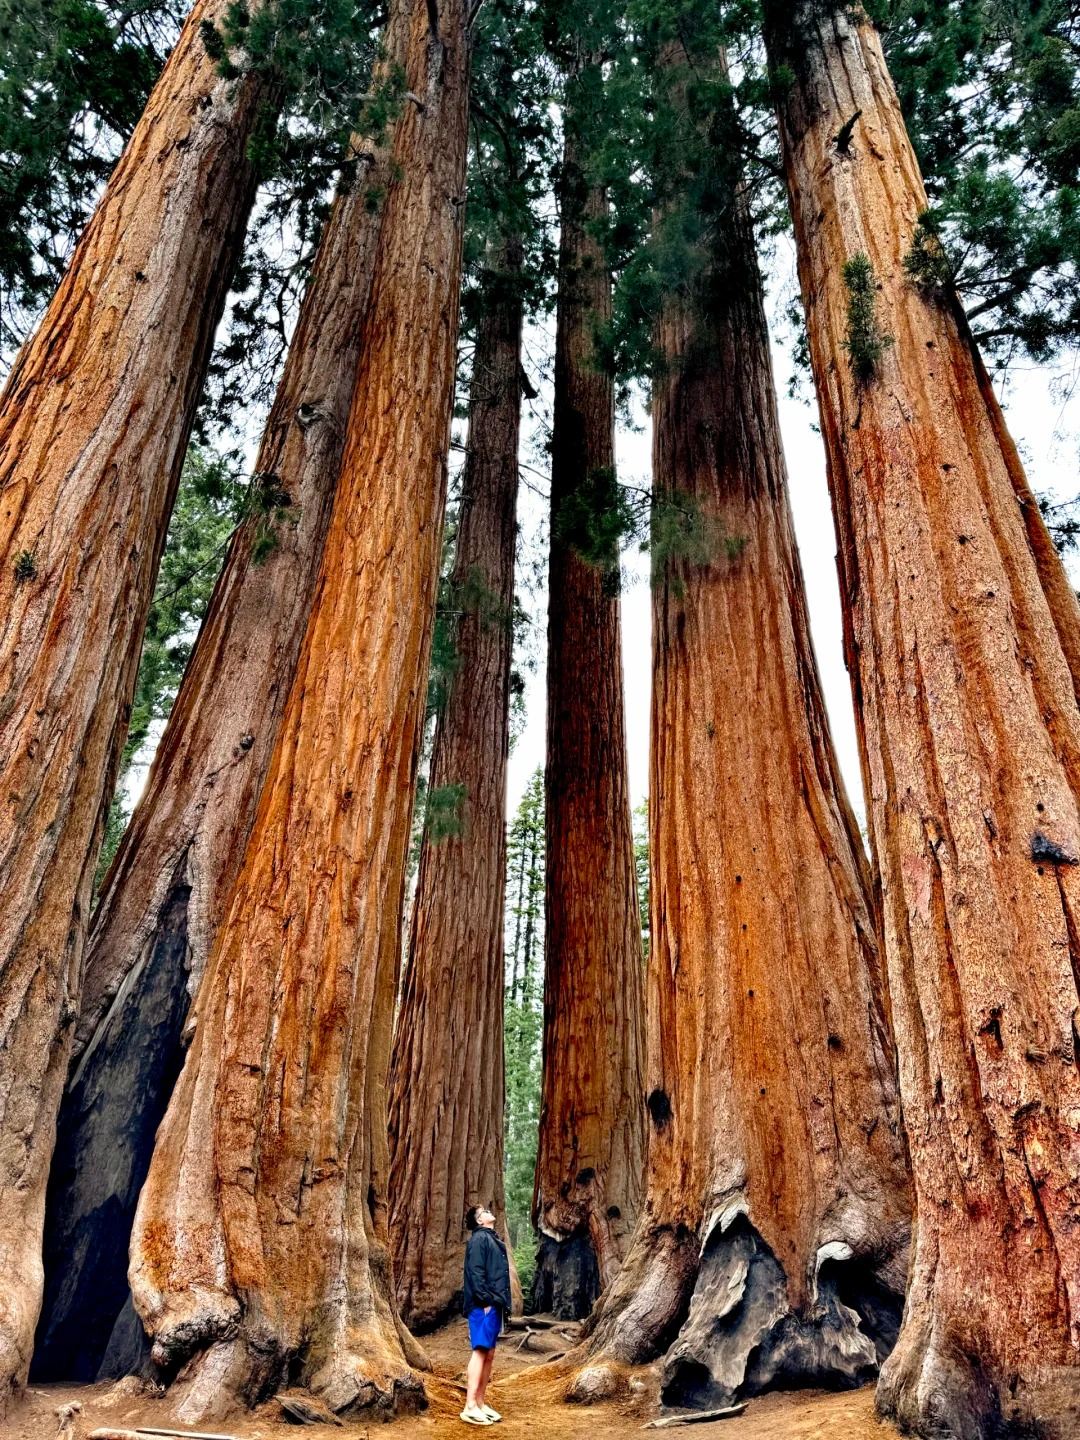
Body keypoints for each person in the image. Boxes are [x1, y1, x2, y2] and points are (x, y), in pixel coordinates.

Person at [460, 1203, 512, 1426]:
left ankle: (480, 1402)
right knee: (480, 1350)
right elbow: (475, 1272)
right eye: (484, 1212)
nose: (490, 1212)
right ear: (480, 1221)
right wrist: (485, 1301)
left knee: (489, 1352)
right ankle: (469, 1406)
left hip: (493, 1303)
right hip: (483, 1304)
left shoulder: (490, 1238)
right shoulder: (479, 1239)